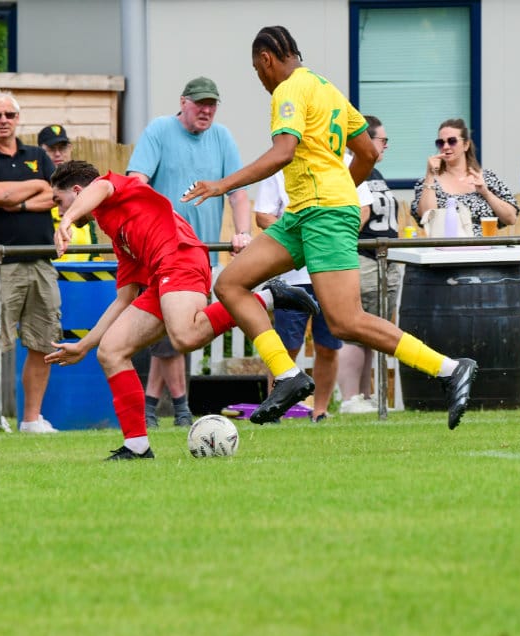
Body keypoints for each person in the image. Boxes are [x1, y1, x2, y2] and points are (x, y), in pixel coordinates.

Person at [182, 25, 477, 430]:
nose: (261, 80)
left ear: (267, 60)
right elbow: (368, 153)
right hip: (303, 213)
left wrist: (223, 185)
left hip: (323, 214)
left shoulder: (288, 90)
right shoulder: (328, 90)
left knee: (344, 321)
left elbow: (283, 153)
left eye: (257, 70)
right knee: (231, 284)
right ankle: (287, 375)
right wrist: (339, 190)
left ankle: (450, 369)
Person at [47, 160, 316, 460]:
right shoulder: (116, 229)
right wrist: (84, 346)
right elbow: (123, 299)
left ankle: (267, 297)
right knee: (111, 351)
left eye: (59, 201)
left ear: (77, 191)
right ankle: (137, 446)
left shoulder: (112, 187)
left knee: (185, 337)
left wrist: (67, 220)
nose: (59, 210)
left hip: (180, 258)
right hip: (160, 277)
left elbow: (101, 186)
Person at [126, 76, 251, 428]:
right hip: (164, 253)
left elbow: (238, 193)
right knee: (172, 336)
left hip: (202, 259)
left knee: (171, 335)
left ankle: (151, 408)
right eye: (200, 104)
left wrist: (242, 232)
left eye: (212, 104)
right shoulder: (159, 130)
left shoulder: (222, 137)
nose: (206, 110)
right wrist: (149, 224)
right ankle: (181, 410)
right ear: (183, 102)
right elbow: (136, 182)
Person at [0, 92, 61, 434]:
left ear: (18, 118)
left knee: (44, 341)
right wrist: (36, 185)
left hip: (42, 261)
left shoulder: (38, 155)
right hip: (0, 263)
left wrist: (18, 203)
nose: (3, 120)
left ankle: (32, 419)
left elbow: (57, 195)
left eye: (9, 114)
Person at [254, 171, 369, 423]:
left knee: (328, 347)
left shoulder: (343, 162)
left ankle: (320, 411)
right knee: (286, 347)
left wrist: (332, 238)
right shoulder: (281, 166)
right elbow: (262, 215)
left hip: (332, 271)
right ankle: (275, 410)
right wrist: (300, 238)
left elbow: (363, 210)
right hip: (292, 275)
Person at [336, 115, 403, 415]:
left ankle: (365, 395)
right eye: (382, 140)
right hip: (363, 258)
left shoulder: (375, 172)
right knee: (356, 330)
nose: (385, 145)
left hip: (384, 261)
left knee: (373, 333)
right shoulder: (351, 168)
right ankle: (350, 397)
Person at [411, 118, 518, 236]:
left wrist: (486, 193)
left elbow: (511, 219)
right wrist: (430, 175)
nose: (445, 146)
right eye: (440, 142)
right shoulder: (428, 181)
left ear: (466, 145)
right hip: (446, 245)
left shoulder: (487, 178)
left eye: (452, 141)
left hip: (484, 245)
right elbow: (427, 217)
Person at [38, 124, 98, 262]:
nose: (58, 154)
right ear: (39, 152)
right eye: (51, 149)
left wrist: (95, 258)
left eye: (62, 148)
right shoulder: (36, 184)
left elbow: (90, 227)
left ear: (70, 148)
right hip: (49, 269)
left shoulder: (81, 182)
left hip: (84, 269)